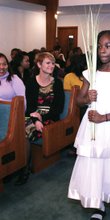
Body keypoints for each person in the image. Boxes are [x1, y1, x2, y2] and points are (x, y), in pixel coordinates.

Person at [68, 30, 110, 219]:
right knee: (93, 164)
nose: (102, 50)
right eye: (100, 46)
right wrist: (86, 97)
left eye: (108, 46)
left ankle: (107, 194)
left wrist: (104, 117)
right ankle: (98, 205)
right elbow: (79, 101)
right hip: (91, 125)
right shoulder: (90, 73)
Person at [15, 52, 64, 185]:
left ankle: (23, 170)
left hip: (50, 118)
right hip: (32, 116)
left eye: (53, 63)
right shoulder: (31, 82)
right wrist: (36, 120)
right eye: (48, 63)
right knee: (17, 128)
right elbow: (29, 106)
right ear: (39, 64)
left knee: (25, 131)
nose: (51, 66)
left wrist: (41, 117)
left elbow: (57, 109)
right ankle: (19, 165)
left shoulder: (58, 84)